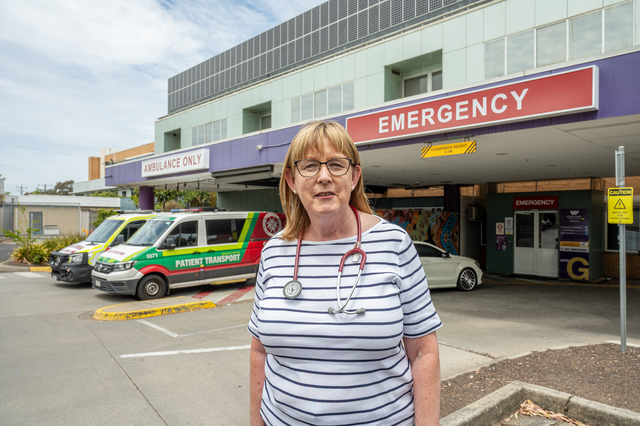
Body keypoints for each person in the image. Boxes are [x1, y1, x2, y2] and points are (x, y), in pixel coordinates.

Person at [249, 121, 442, 426]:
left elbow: (423, 353)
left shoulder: (394, 244)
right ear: (291, 180)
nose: (324, 176)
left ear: (354, 177)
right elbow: (259, 351)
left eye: (336, 165)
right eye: (309, 165)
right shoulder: (273, 251)